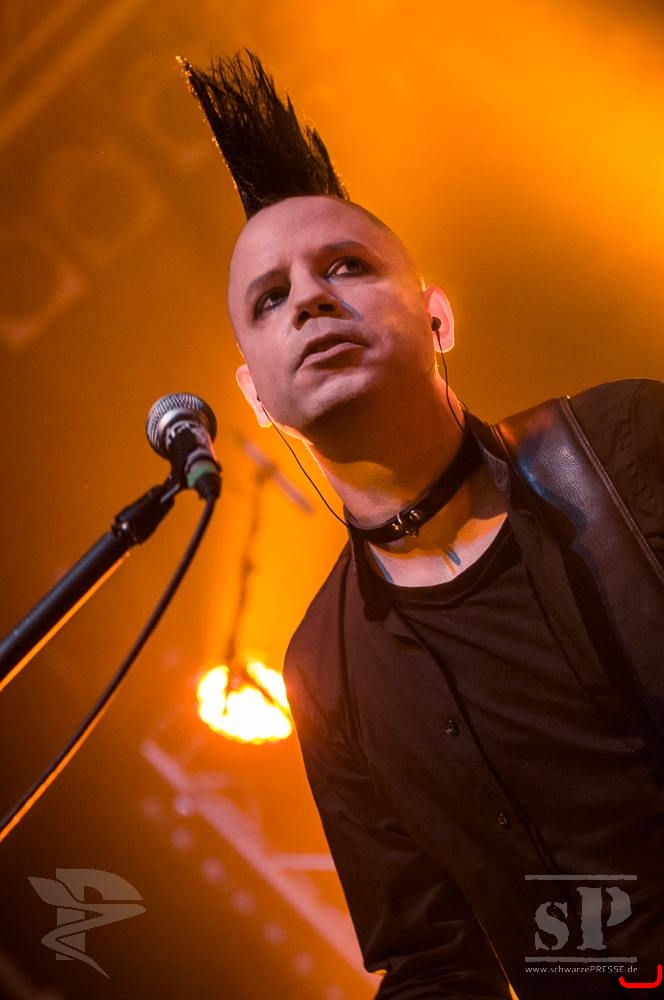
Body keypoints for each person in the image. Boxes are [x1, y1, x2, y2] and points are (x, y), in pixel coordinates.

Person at [180, 52, 664, 998]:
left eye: (347, 267)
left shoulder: (627, 442)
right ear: (255, 396)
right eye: (271, 299)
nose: (310, 298)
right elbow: (435, 962)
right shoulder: (324, 672)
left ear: (437, 316)